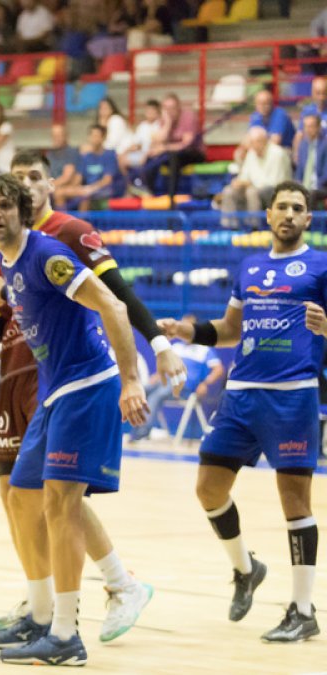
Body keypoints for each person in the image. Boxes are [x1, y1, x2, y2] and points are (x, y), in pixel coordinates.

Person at [0, 150, 184, 650]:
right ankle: (41, 612)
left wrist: (134, 377)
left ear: (25, 208)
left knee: (62, 505)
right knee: (23, 497)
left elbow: (113, 302)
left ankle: (67, 633)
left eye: (8, 204)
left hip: (86, 385)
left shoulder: (50, 251)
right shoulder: (4, 265)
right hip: (49, 389)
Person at [159, 180, 323, 642]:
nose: (289, 214)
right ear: (268, 215)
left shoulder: (321, 266)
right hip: (241, 395)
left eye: (297, 208)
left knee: (294, 502)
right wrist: (189, 331)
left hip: (292, 395)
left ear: (308, 218)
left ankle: (304, 610)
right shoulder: (249, 267)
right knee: (208, 488)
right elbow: (231, 328)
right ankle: (246, 569)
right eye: (281, 207)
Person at [128, 313, 224, 442]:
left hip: (184, 386)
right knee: (143, 390)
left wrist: (205, 383)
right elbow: (165, 366)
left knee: (158, 395)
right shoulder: (176, 347)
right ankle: (135, 429)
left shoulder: (204, 349)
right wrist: (156, 377)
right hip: (166, 381)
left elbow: (219, 369)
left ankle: (142, 433)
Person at [140, 93, 205, 196]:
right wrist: (168, 123)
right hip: (171, 153)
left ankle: (171, 197)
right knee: (150, 156)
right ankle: (149, 191)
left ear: (178, 108)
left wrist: (165, 148)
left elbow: (186, 144)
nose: (169, 111)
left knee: (173, 157)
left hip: (193, 153)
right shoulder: (164, 119)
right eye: (166, 108)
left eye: (172, 108)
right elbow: (157, 142)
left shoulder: (188, 117)